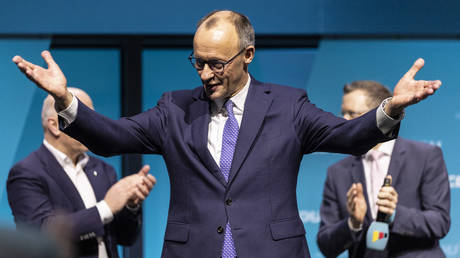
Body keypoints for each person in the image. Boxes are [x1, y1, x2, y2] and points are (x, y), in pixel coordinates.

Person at [12, 10, 441, 258]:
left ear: (248, 55)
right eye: (197, 62)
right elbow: (112, 137)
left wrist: (391, 108)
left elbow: (348, 137)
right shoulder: (173, 108)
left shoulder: (289, 105)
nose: (205, 73)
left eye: (216, 63)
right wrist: (66, 100)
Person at [7, 88, 157, 258]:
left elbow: (125, 238)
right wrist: (106, 207)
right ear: (54, 125)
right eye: (82, 119)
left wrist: (130, 205)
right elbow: (40, 233)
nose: (91, 127)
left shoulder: (103, 169)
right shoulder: (26, 172)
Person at [317, 80, 450, 257]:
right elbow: (326, 244)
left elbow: (439, 223)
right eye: (343, 113)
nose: (343, 121)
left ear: (376, 115)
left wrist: (395, 214)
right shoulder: (337, 172)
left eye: (352, 113)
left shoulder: (426, 156)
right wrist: (353, 223)